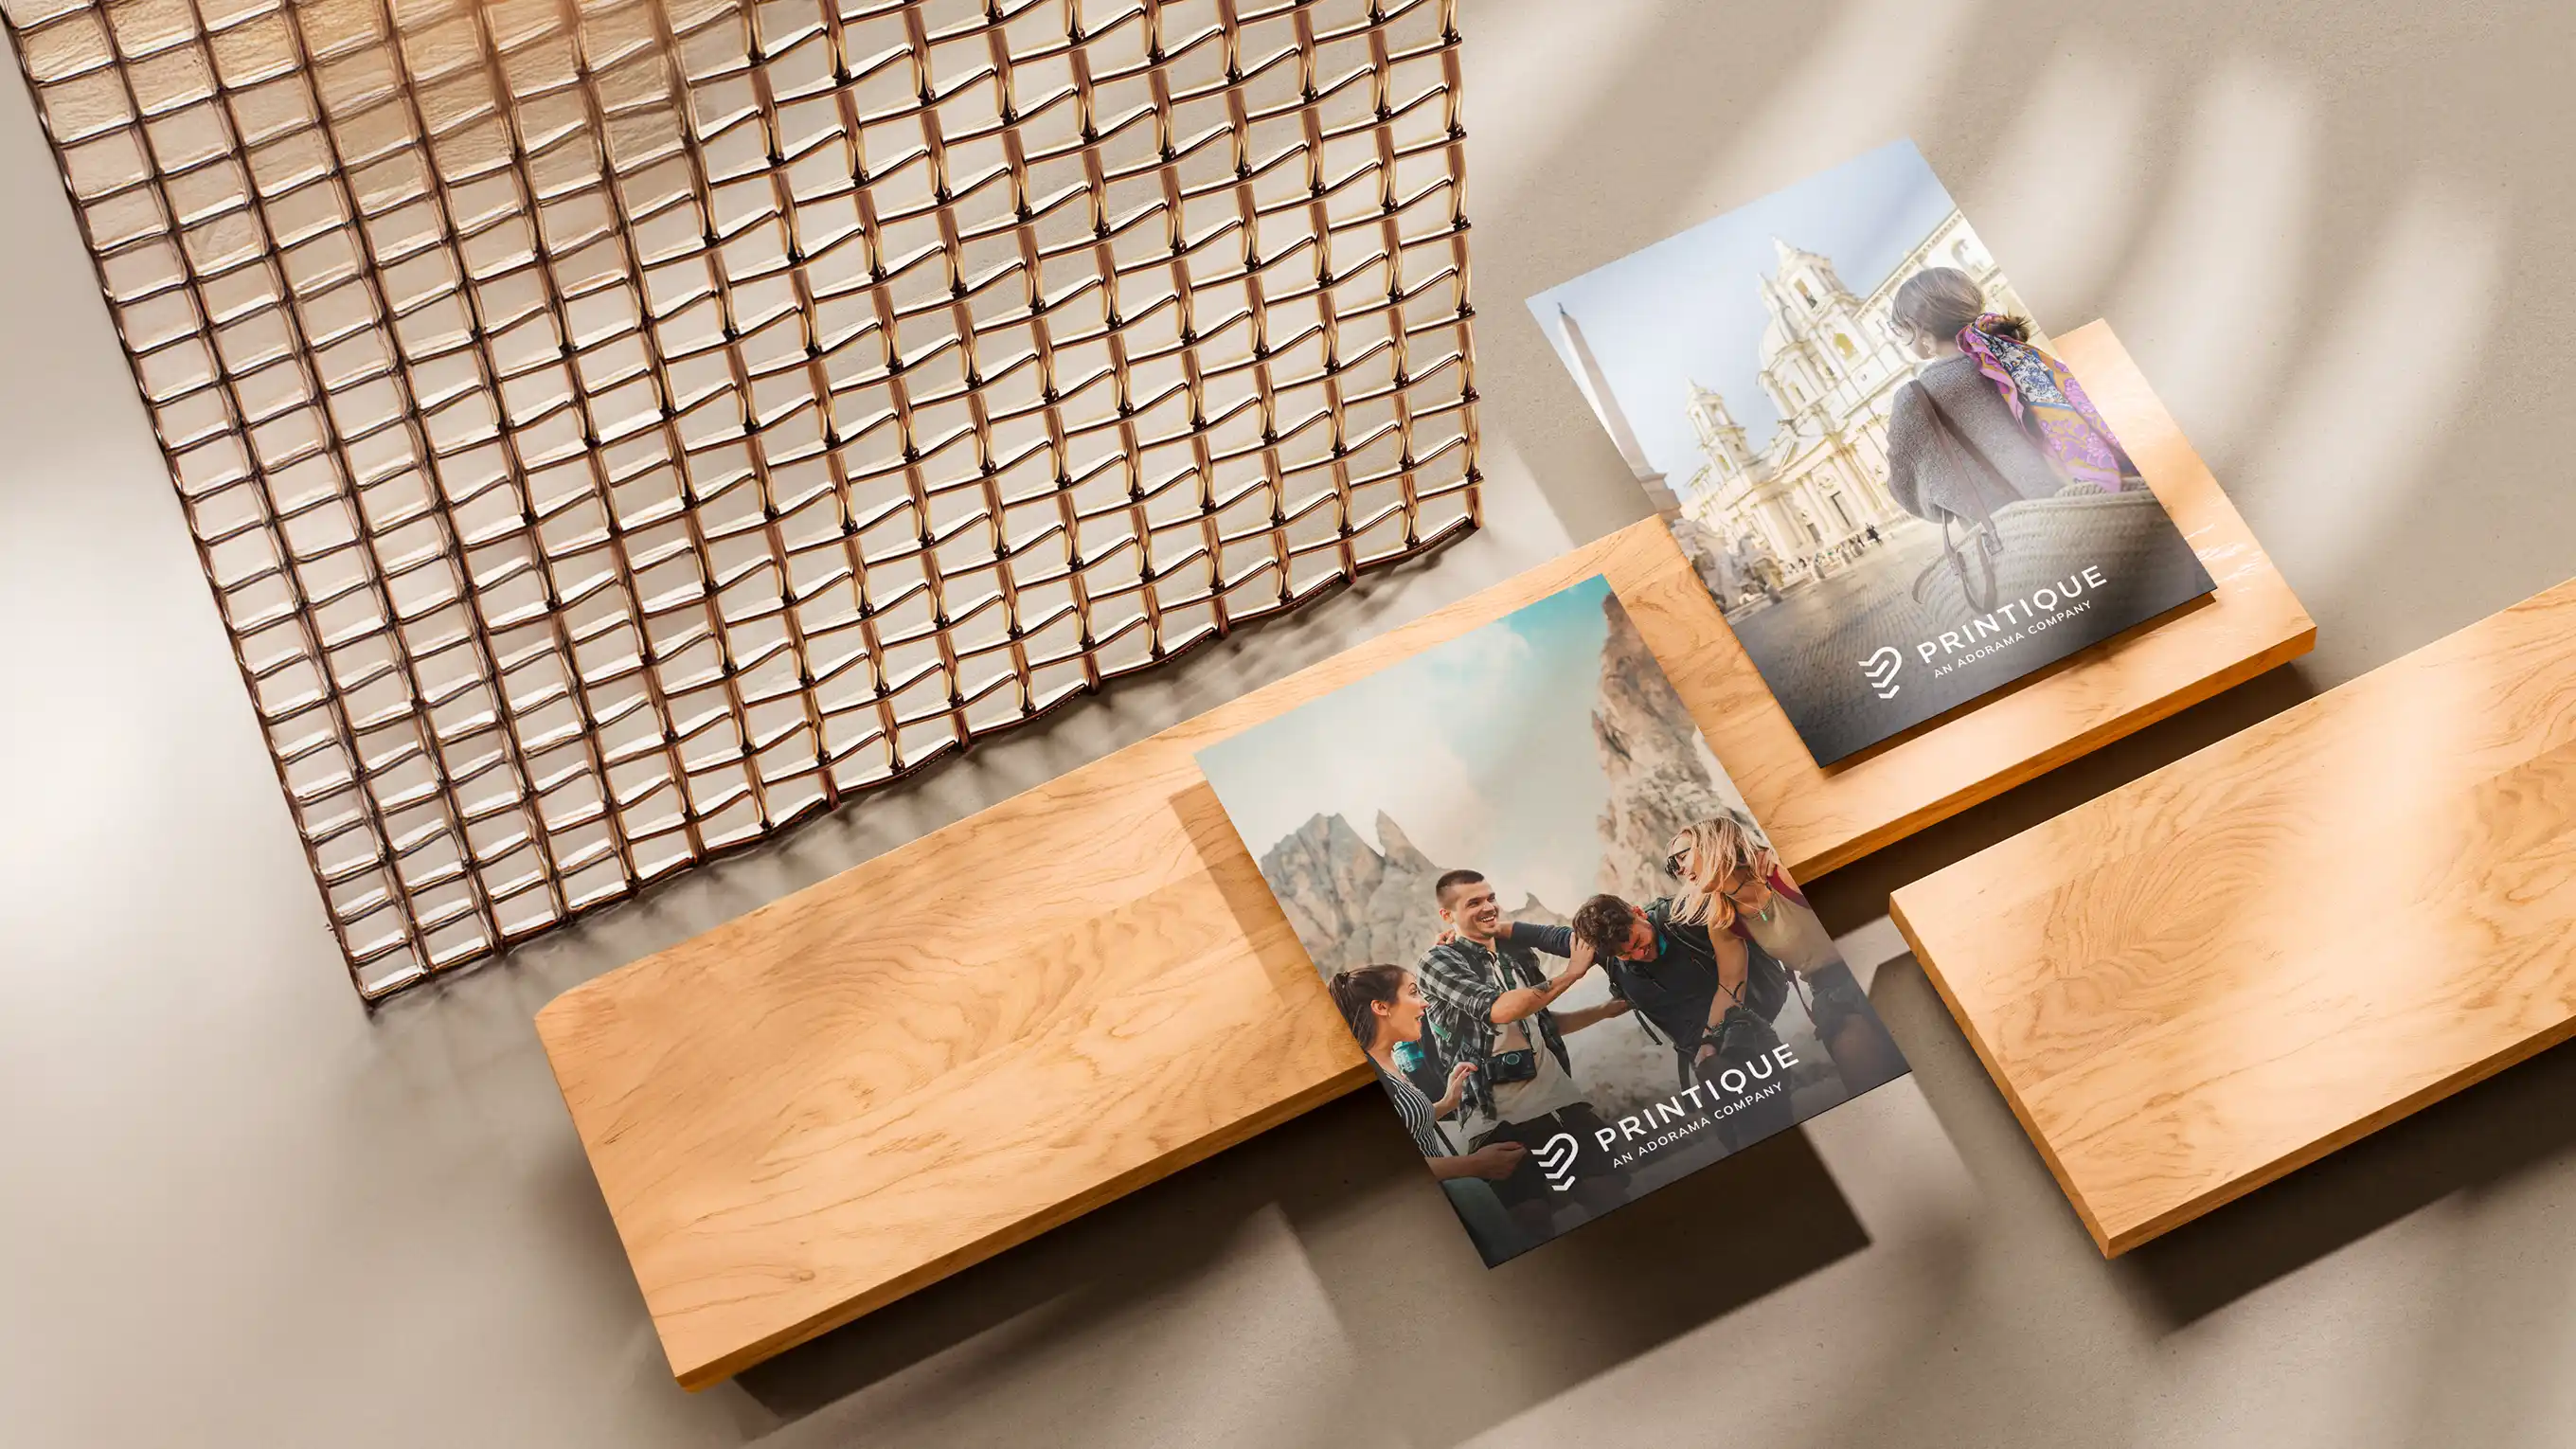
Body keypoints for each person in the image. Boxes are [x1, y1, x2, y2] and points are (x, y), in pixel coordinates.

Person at [1415, 869, 1633, 1234]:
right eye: (1474, 902)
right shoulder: (1438, 962)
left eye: (1491, 898)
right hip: (1495, 1120)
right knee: (1531, 1220)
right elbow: (1501, 1009)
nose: (1488, 907)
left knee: (1610, 1194)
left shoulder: (1515, 952)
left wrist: (1603, 1011)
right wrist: (1571, 974)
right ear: (1446, 915)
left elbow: (1540, 1021)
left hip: (1560, 1102)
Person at [1883, 266, 2143, 540]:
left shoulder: (1915, 399)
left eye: (1902, 330)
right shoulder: (2019, 354)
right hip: (2109, 511)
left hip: (2025, 542)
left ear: (1922, 334)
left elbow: (1910, 494)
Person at [1663, 814, 1905, 1093]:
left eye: (1682, 856)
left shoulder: (1780, 873)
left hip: (1876, 963)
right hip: (1830, 994)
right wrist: (1708, 1042)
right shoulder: (1725, 921)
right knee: (1871, 1084)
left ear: (1712, 843)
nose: (1680, 870)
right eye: (1673, 866)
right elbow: (1729, 985)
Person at [1326, 964, 1536, 1259]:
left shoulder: (1388, 1062)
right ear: (1381, 1007)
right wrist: (1474, 1164)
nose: (1424, 1002)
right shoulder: (1368, 1078)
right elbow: (1393, 1165)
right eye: (1413, 993)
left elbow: (1404, 1124)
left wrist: (1447, 1102)